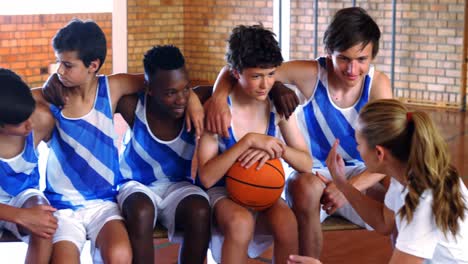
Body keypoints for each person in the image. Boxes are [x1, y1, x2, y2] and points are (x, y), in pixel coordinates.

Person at [206, 7, 393, 258]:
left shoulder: (377, 85)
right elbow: (241, 69)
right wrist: (218, 98)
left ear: (372, 56)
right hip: (313, 171)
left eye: (362, 59)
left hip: (357, 172)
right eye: (344, 59)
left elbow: (392, 156)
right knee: (305, 189)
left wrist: (348, 187)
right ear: (329, 54)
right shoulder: (311, 73)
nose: (352, 69)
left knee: (402, 196)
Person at [198, 24, 313, 264]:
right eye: (256, 76)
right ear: (236, 73)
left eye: (271, 74)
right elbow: (206, 178)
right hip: (223, 192)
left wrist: (279, 149)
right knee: (241, 222)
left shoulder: (276, 107)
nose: (265, 84)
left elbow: (306, 163)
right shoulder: (219, 111)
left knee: (287, 223)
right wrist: (249, 142)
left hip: (263, 190)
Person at [322, 99, 468, 263]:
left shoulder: (423, 202)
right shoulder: (405, 175)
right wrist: (342, 183)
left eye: (359, 144)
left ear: (379, 153)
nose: (357, 149)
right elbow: (384, 222)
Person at [115, 45, 211, 264]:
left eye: (185, 89)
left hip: (177, 185)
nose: (181, 99)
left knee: (200, 210)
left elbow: (234, 81)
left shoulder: (195, 101)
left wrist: (278, 88)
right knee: (141, 211)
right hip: (135, 184)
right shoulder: (132, 105)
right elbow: (100, 86)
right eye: (170, 92)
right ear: (149, 88)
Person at [0, 68, 57, 264]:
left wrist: (52, 84)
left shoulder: (40, 120)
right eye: (19, 122)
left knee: (45, 222)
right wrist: (19, 216)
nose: (29, 125)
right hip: (10, 208)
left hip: (24, 195)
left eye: (29, 114)